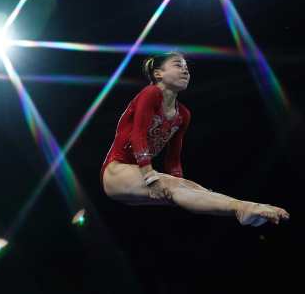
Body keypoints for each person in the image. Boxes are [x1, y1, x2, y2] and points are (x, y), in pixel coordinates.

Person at [101, 52, 289, 226]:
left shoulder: (183, 114)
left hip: (137, 175)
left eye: (187, 68)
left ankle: (245, 210)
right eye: (178, 65)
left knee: (193, 187)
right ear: (158, 74)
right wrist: (152, 178)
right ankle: (242, 208)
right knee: (175, 186)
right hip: (116, 171)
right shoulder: (151, 94)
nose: (185, 70)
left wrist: (181, 185)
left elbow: (173, 158)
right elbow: (137, 135)